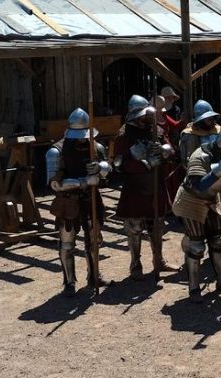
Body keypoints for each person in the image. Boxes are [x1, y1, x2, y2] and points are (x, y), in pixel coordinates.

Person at [46, 108, 112, 295]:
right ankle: (69, 282)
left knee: (94, 242)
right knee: (67, 243)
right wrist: (83, 181)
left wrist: (100, 169)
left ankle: (94, 276)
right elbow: (55, 185)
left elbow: (107, 176)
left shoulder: (96, 147)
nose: (83, 139)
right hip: (69, 202)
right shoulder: (55, 151)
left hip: (91, 200)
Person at [172, 125, 221, 303]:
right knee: (196, 246)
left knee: (218, 242)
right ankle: (194, 288)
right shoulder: (199, 156)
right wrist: (218, 169)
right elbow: (199, 185)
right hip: (192, 201)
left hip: (211, 200)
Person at [113, 95, 177, 280]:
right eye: (143, 116)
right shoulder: (124, 135)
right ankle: (135, 265)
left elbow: (170, 149)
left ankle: (159, 261)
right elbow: (118, 165)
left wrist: (165, 151)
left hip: (156, 183)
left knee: (156, 225)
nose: (148, 118)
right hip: (135, 186)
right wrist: (144, 164)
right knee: (134, 227)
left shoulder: (155, 129)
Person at [179, 100, 220, 169]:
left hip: (219, 168)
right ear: (200, 120)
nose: (211, 120)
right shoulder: (189, 134)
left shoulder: (218, 130)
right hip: (197, 170)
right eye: (208, 118)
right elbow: (187, 162)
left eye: (211, 117)